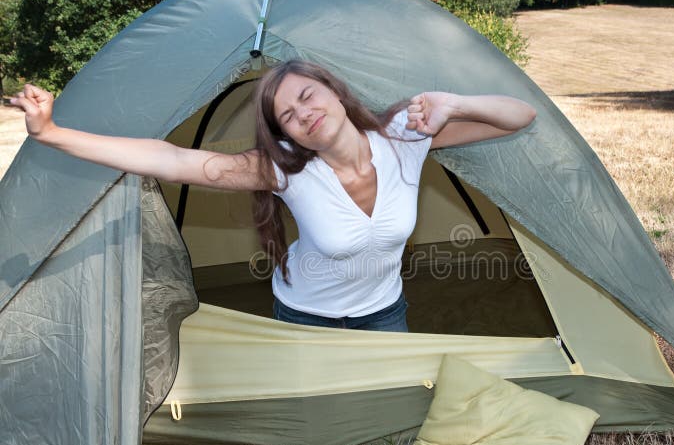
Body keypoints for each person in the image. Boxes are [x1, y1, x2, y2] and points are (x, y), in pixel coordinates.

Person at [10, 60, 536, 332]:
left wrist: (453, 103)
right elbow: (172, 160)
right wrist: (52, 134)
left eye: (307, 95)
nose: (304, 113)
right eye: (288, 115)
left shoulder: (404, 137)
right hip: (306, 315)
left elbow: (520, 116)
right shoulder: (286, 170)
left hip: (384, 312)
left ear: (335, 91)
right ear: (286, 133)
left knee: (389, 423)